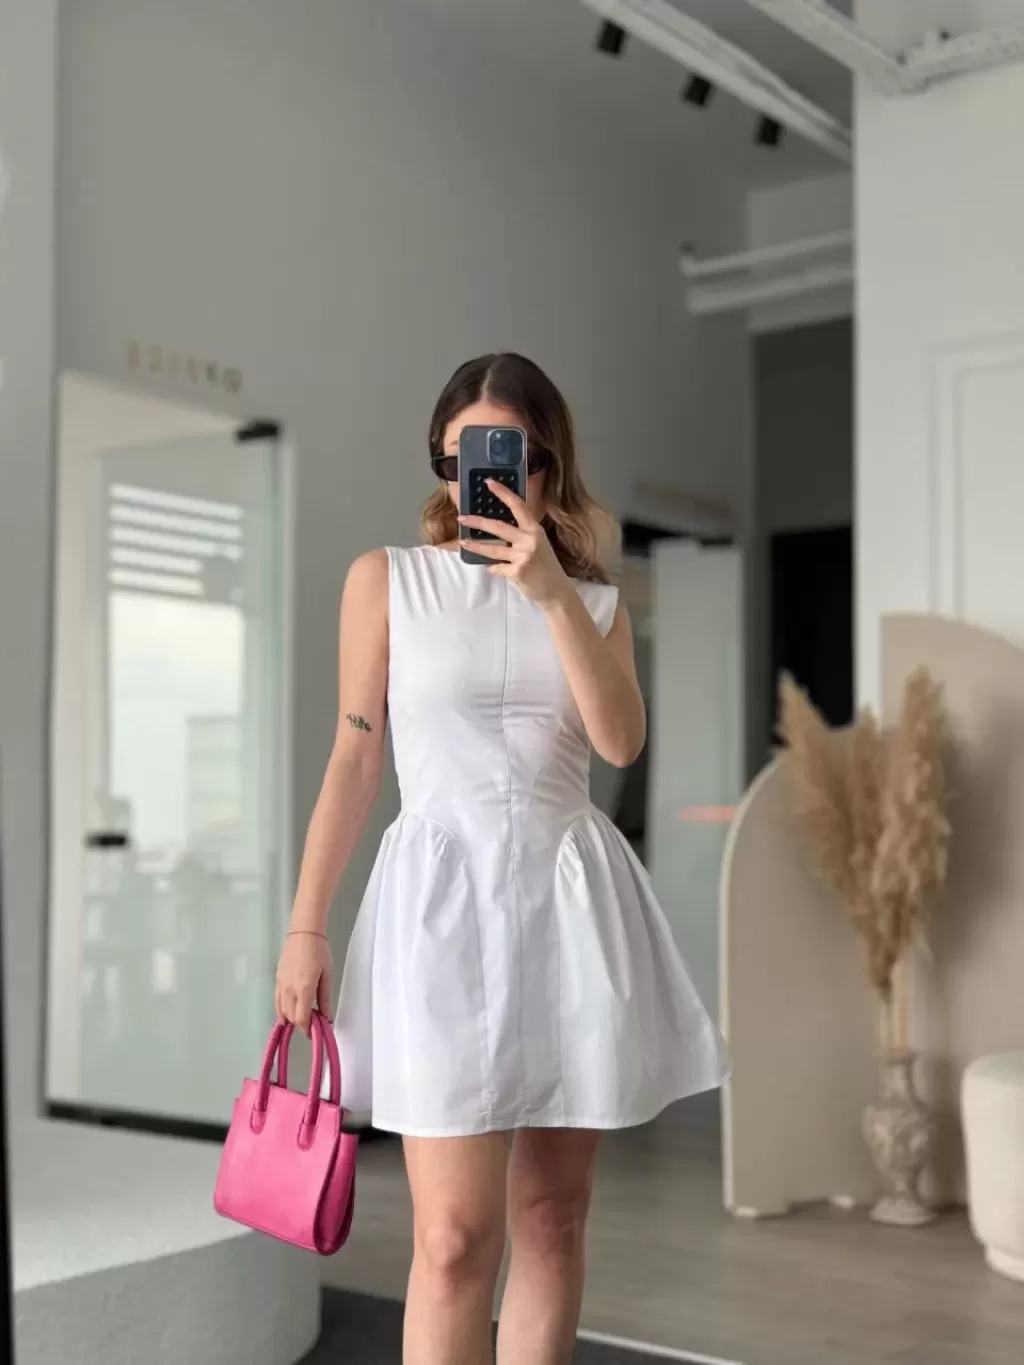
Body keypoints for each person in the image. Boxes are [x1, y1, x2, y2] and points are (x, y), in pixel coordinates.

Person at [275, 353, 729, 1364]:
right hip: (438, 908)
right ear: (441, 466)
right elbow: (355, 757)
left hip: (568, 905)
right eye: (459, 458)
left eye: (506, 457)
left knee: (553, 1218)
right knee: (450, 1238)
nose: (477, 479)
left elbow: (620, 744)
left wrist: (552, 593)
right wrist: (307, 923)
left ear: (546, 467)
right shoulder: (387, 581)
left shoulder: (596, 604)